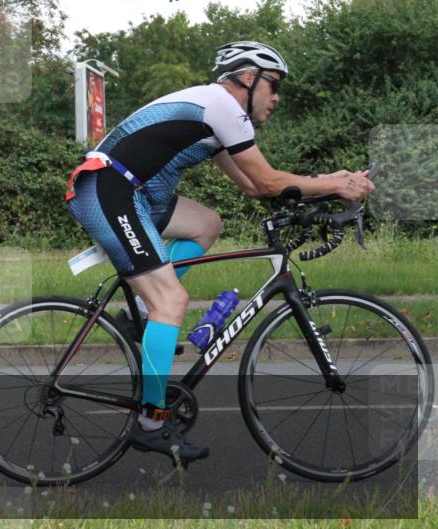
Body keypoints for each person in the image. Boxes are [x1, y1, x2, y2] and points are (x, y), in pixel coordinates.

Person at [65, 41, 374, 464]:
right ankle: (152, 423)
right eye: (274, 85)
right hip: (110, 191)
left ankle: (136, 314)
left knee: (207, 225)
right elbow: (267, 182)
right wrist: (336, 185)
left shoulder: (216, 118)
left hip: (134, 194)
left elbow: (253, 186)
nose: (277, 97)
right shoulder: (223, 107)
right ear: (248, 79)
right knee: (171, 301)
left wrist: (325, 183)